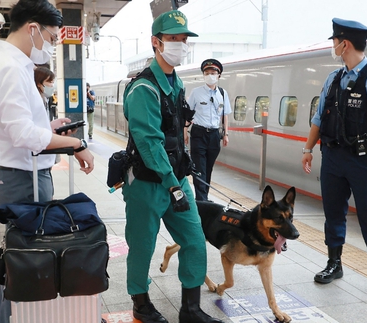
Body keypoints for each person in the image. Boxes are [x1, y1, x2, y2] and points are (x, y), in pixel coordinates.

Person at [0, 0, 94, 322]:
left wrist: (50, 129)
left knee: (23, 258)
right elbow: (22, 134)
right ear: (33, 29)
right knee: (28, 262)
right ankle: (21, 317)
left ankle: (19, 316)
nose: (52, 45)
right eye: (52, 37)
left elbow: (23, 128)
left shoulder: (11, 64)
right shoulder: (9, 68)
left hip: (22, 174)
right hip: (21, 179)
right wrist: (75, 143)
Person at [122, 10, 223, 323]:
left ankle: (190, 310)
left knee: (194, 241)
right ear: (156, 42)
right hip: (148, 184)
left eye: (183, 39)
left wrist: (181, 171)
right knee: (142, 246)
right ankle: (140, 303)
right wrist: (172, 183)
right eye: (173, 39)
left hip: (176, 181)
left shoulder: (177, 83)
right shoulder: (143, 89)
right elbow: (149, 142)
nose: (180, 45)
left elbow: (175, 133)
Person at [301, 18, 367, 304]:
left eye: (335, 41)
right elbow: (319, 115)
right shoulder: (333, 78)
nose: (333, 46)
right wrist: (308, 148)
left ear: (344, 43)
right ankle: (334, 264)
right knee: (333, 212)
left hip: (364, 160)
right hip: (333, 157)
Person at [187, 58, 231, 201]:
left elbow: (225, 115)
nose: (210, 75)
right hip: (198, 133)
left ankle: (203, 196)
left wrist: (226, 134)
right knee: (199, 169)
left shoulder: (223, 94)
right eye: (207, 73)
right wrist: (184, 133)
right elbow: (187, 114)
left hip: (214, 135)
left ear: (219, 75)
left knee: (208, 168)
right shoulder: (196, 92)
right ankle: (201, 200)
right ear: (203, 75)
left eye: (213, 73)